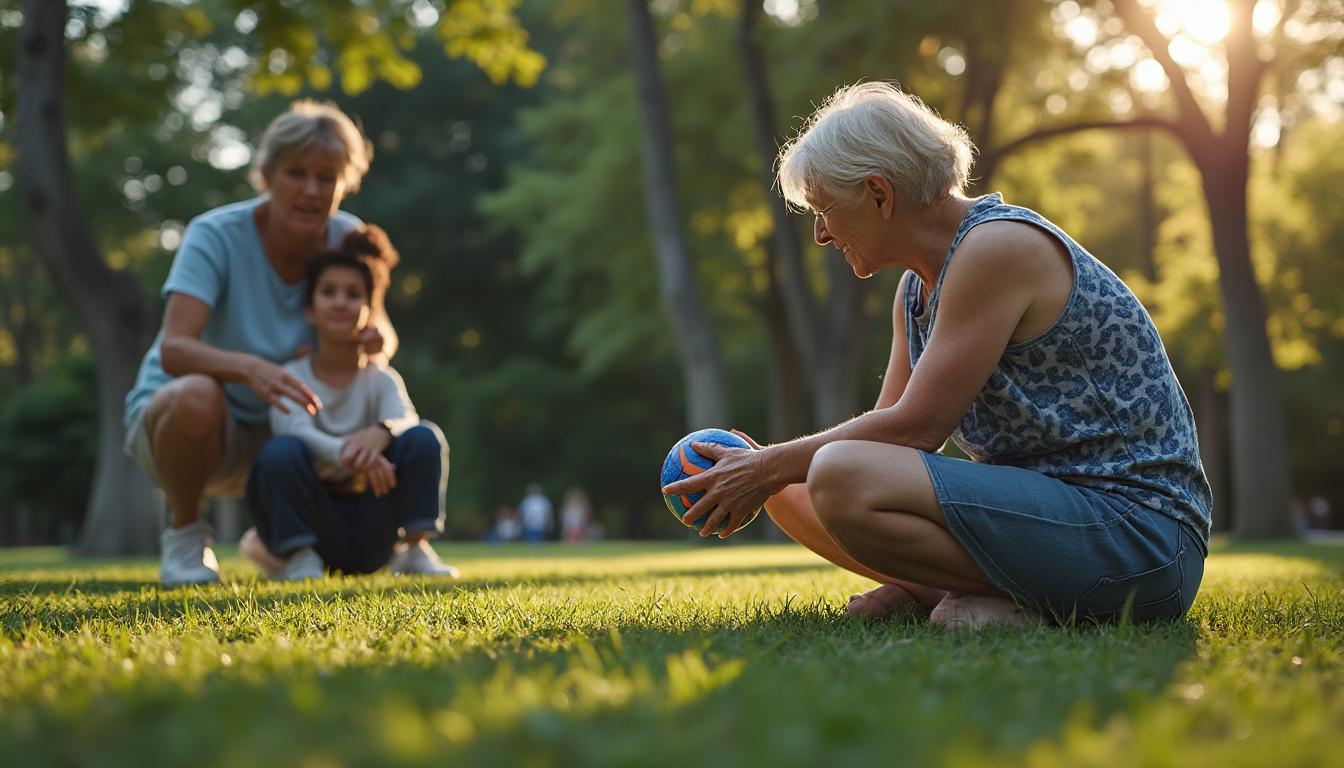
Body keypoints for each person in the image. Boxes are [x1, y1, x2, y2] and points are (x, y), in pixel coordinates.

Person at [663, 82, 1212, 629]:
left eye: (825, 209)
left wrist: (763, 466)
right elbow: (881, 444)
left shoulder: (996, 247)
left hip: (1143, 539)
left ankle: (1005, 600)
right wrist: (766, 470)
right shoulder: (916, 290)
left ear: (879, 194)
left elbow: (915, 430)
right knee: (792, 488)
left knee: (828, 472)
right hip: (1053, 523)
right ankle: (968, 596)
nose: (821, 234)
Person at [124, 100, 393, 585]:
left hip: (290, 430)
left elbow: (383, 335)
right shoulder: (214, 235)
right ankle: (185, 537)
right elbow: (175, 349)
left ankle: (275, 543)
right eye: (297, 173)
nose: (312, 189)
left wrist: (375, 340)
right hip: (192, 424)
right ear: (267, 174)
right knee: (198, 393)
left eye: (327, 177)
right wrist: (251, 368)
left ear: (345, 183)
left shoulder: (347, 236)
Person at [240, 228, 457, 579]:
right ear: (310, 311)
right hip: (316, 521)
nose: (341, 302)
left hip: (372, 525)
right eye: (328, 293)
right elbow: (292, 428)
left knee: (423, 437)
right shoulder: (290, 376)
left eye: (353, 294)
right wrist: (350, 453)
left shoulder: (380, 377)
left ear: (370, 311)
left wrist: (382, 433)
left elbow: (404, 416)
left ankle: (415, 550)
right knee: (278, 452)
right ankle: (297, 556)